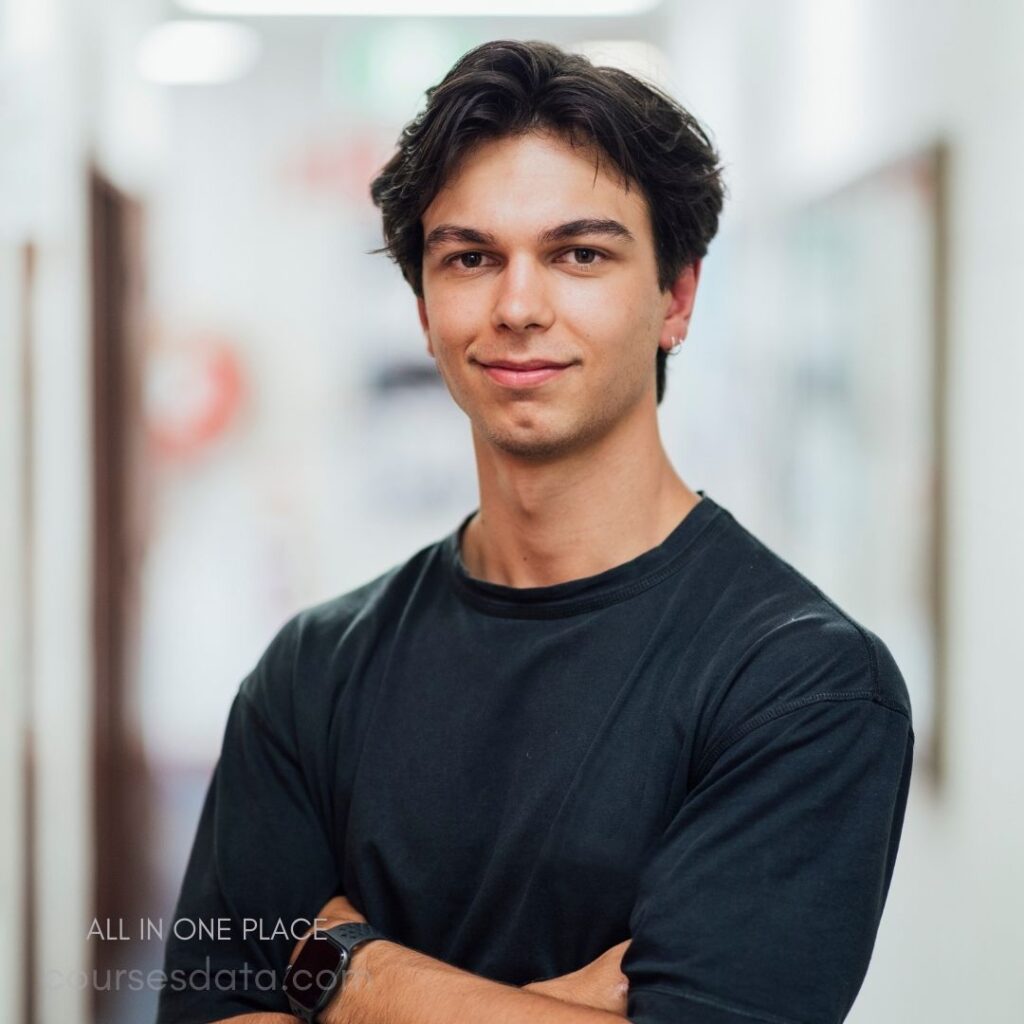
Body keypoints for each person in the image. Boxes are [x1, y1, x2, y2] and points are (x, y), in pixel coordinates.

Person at [156, 39, 913, 1024]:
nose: (518, 305)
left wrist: (350, 970)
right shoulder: (312, 673)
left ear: (675, 297)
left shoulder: (801, 685)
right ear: (424, 308)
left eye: (579, 254)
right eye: (471, 257)